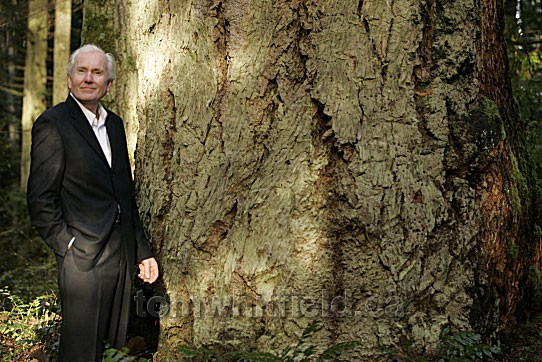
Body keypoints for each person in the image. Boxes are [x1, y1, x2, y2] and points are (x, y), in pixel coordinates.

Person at [27, 44, 159, 361]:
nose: (89, 78)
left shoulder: (114, 125)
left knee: (109, 344)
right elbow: (40, 197)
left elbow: (123, 194)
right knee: (80, 350)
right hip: (81, 257)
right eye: (82, 71)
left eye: (97, 72)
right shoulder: (53, 124)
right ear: (70, 78)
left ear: (108, 84)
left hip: (120, 252)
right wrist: (67, 245)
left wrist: (142, 251)